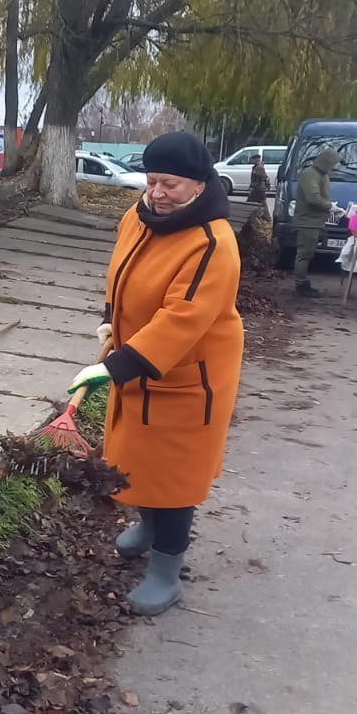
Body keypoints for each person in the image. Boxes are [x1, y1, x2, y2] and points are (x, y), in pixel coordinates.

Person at [66, 132, 244, 616]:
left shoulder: (212, 243)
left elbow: (182, 319)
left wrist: (113, 366)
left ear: (199, 184)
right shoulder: (139, 215)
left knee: (174, 475)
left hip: (189, 374)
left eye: (171, 184)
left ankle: (167, 569)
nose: (158, 193)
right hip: (140, 360)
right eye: (152, 181)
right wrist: (110, 316)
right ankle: (148, 525)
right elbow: (120, 271)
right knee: (135, 455)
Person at [293, 146, 339, 298]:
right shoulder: (310, 174)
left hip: (314, 221)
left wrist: (331, 206)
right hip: (307, 221)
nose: (336, 167)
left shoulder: (321, 174)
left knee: (308, 253)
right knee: (304, 254)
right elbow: (313, 198)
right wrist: (330, 206)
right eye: (334, 163)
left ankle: (303, 283)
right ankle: (301, 285)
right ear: (327, 161)